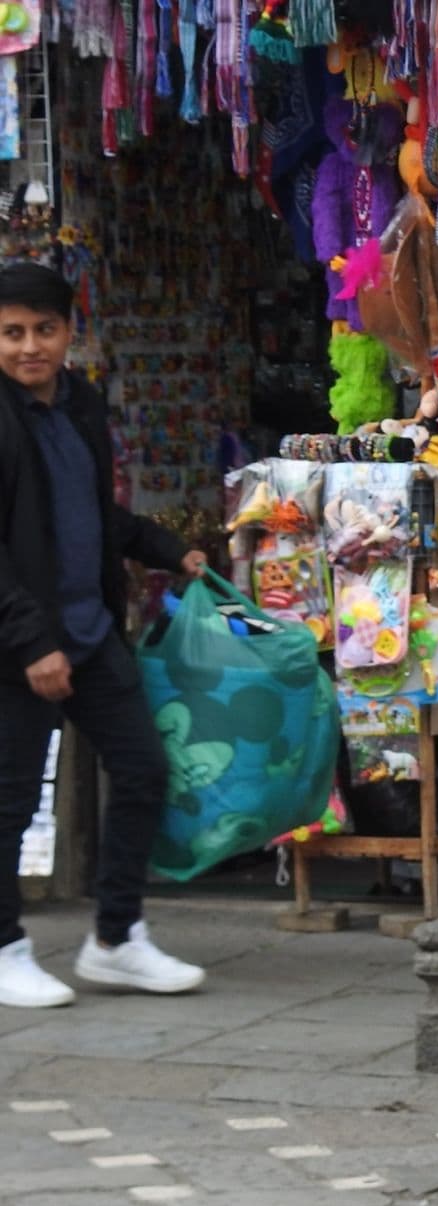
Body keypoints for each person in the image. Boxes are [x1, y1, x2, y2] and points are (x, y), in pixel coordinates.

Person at [0, 262, 208, 1009]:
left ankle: (116, 939)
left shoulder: (80, 403)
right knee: (10, 800)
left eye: (44, 330)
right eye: (13, 332)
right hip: (18, 648)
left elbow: (90, 515)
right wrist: (31, 644)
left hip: (89, 634)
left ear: (69, 333)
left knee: (145, 771)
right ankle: (5, 947)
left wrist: (162, 545)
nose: (30, 347)